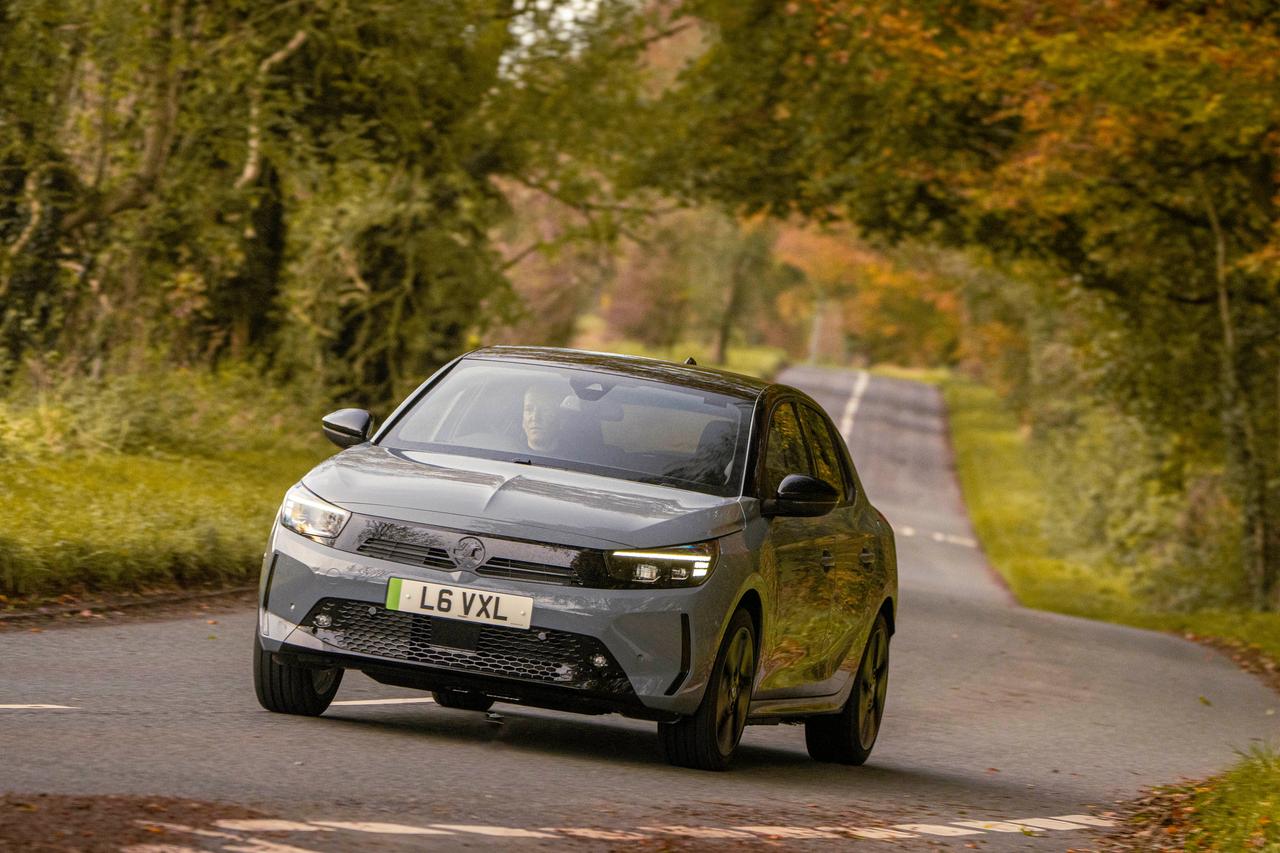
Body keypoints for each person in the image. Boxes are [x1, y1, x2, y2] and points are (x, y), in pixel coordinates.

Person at [521, 384, 569, 455]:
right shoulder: (508, 453)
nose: (535, 418)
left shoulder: (576, 459)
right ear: (523, 421)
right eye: (529, 409)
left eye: (545, 410)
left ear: (561, 420)